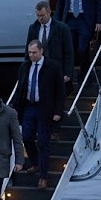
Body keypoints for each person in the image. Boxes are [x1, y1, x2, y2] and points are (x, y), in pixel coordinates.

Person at [11, 40, 65, 189]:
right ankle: (34, 163)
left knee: (42, 142)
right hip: (29, 106)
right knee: (26, 137)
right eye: (29, 53)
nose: (31, 55)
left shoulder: (53, 67)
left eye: (34, 52)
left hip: (45, 108)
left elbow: (60, 91)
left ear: (41, 51)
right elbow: (20, 88)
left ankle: (43, 176)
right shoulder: (24, 67)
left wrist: (58, 112)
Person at [54, 0, 101, 82]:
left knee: (83, 48)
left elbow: (99, 1)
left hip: (84, 19)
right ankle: (68, 76)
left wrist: (99, 21)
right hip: (69, 18)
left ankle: (85, 75)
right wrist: (56, 19)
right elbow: (61, 1)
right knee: (67, 48)